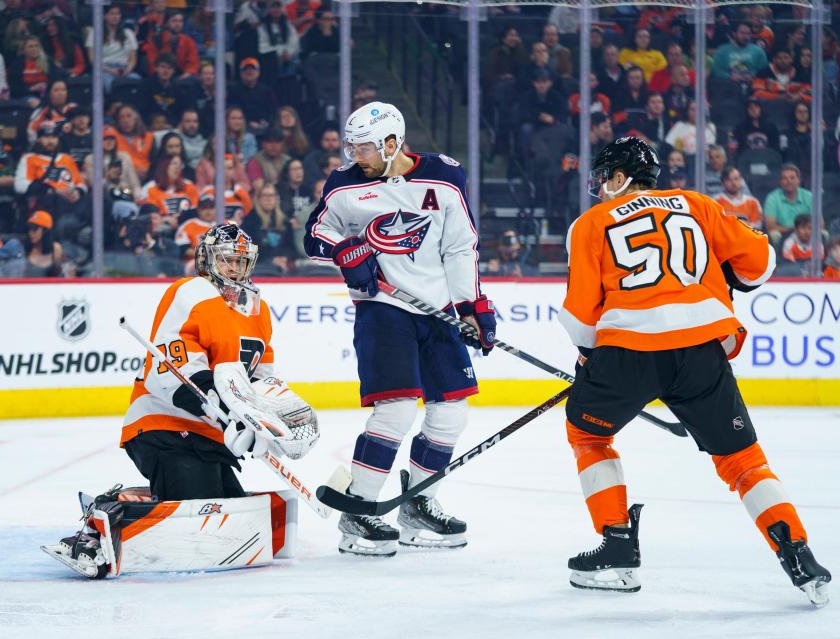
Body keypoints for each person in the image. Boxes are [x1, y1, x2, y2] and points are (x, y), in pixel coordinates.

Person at [559, 136, 830, 604]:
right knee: (743, 460)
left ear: (621, 178)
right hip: (701, 350)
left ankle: (618, 546)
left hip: (629, 351)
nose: (601, 188)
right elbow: (760, 264)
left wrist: (588, 357)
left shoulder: (590, 223)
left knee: (588, 436)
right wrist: (727, 273)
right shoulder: (698, 205)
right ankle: (799, 554)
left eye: (605, 178)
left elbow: (582, 318)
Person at [49, 222, 318, 577]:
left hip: (210, 436)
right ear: (207, 259)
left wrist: (267, 422)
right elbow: (169, 370)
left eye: (242, 261)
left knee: (226, 512)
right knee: (199, 514)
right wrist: (220, 405)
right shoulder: (190, 292)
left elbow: (260, 377)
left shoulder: (258, 309)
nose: (235, 269)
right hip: (164, 426)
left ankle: (130, 502)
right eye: (227, 260)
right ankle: (103, 516)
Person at [303, 102, 495, 557]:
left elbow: (460, 245)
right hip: (382, 309)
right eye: (352, 146)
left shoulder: (444, 176)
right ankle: (359, 511)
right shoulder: (344, 184)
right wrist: (347, 250)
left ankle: (417, 502)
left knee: (450, 414)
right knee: (396, 411)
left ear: (393, 143)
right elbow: (315, 237)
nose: (356, 155)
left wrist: (471, 305)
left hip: (437, 310)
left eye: (365, 147)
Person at [87, 2, 139, 93]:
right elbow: (92, 59)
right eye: (112, 14)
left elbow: (133, 58)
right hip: (104, 69)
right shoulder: (95, 32)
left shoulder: (128, 33)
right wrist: (110, 70)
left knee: (137, 81)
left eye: (118, 14)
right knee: (109, 83)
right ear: (105, 16)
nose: (115, 17)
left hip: (124, 69)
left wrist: (127, 71)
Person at [763, 164, 813, 244]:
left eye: (792, 178)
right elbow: (770, 226)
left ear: (798, 180)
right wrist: (794, 230)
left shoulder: (809, 196)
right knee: (774, 234)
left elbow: (820, 223)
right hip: (782, 234)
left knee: (823, 234)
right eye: (785, 178)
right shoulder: (772, 197)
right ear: (780, 182)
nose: (789, 181)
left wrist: (803, 230)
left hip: (807, 232)